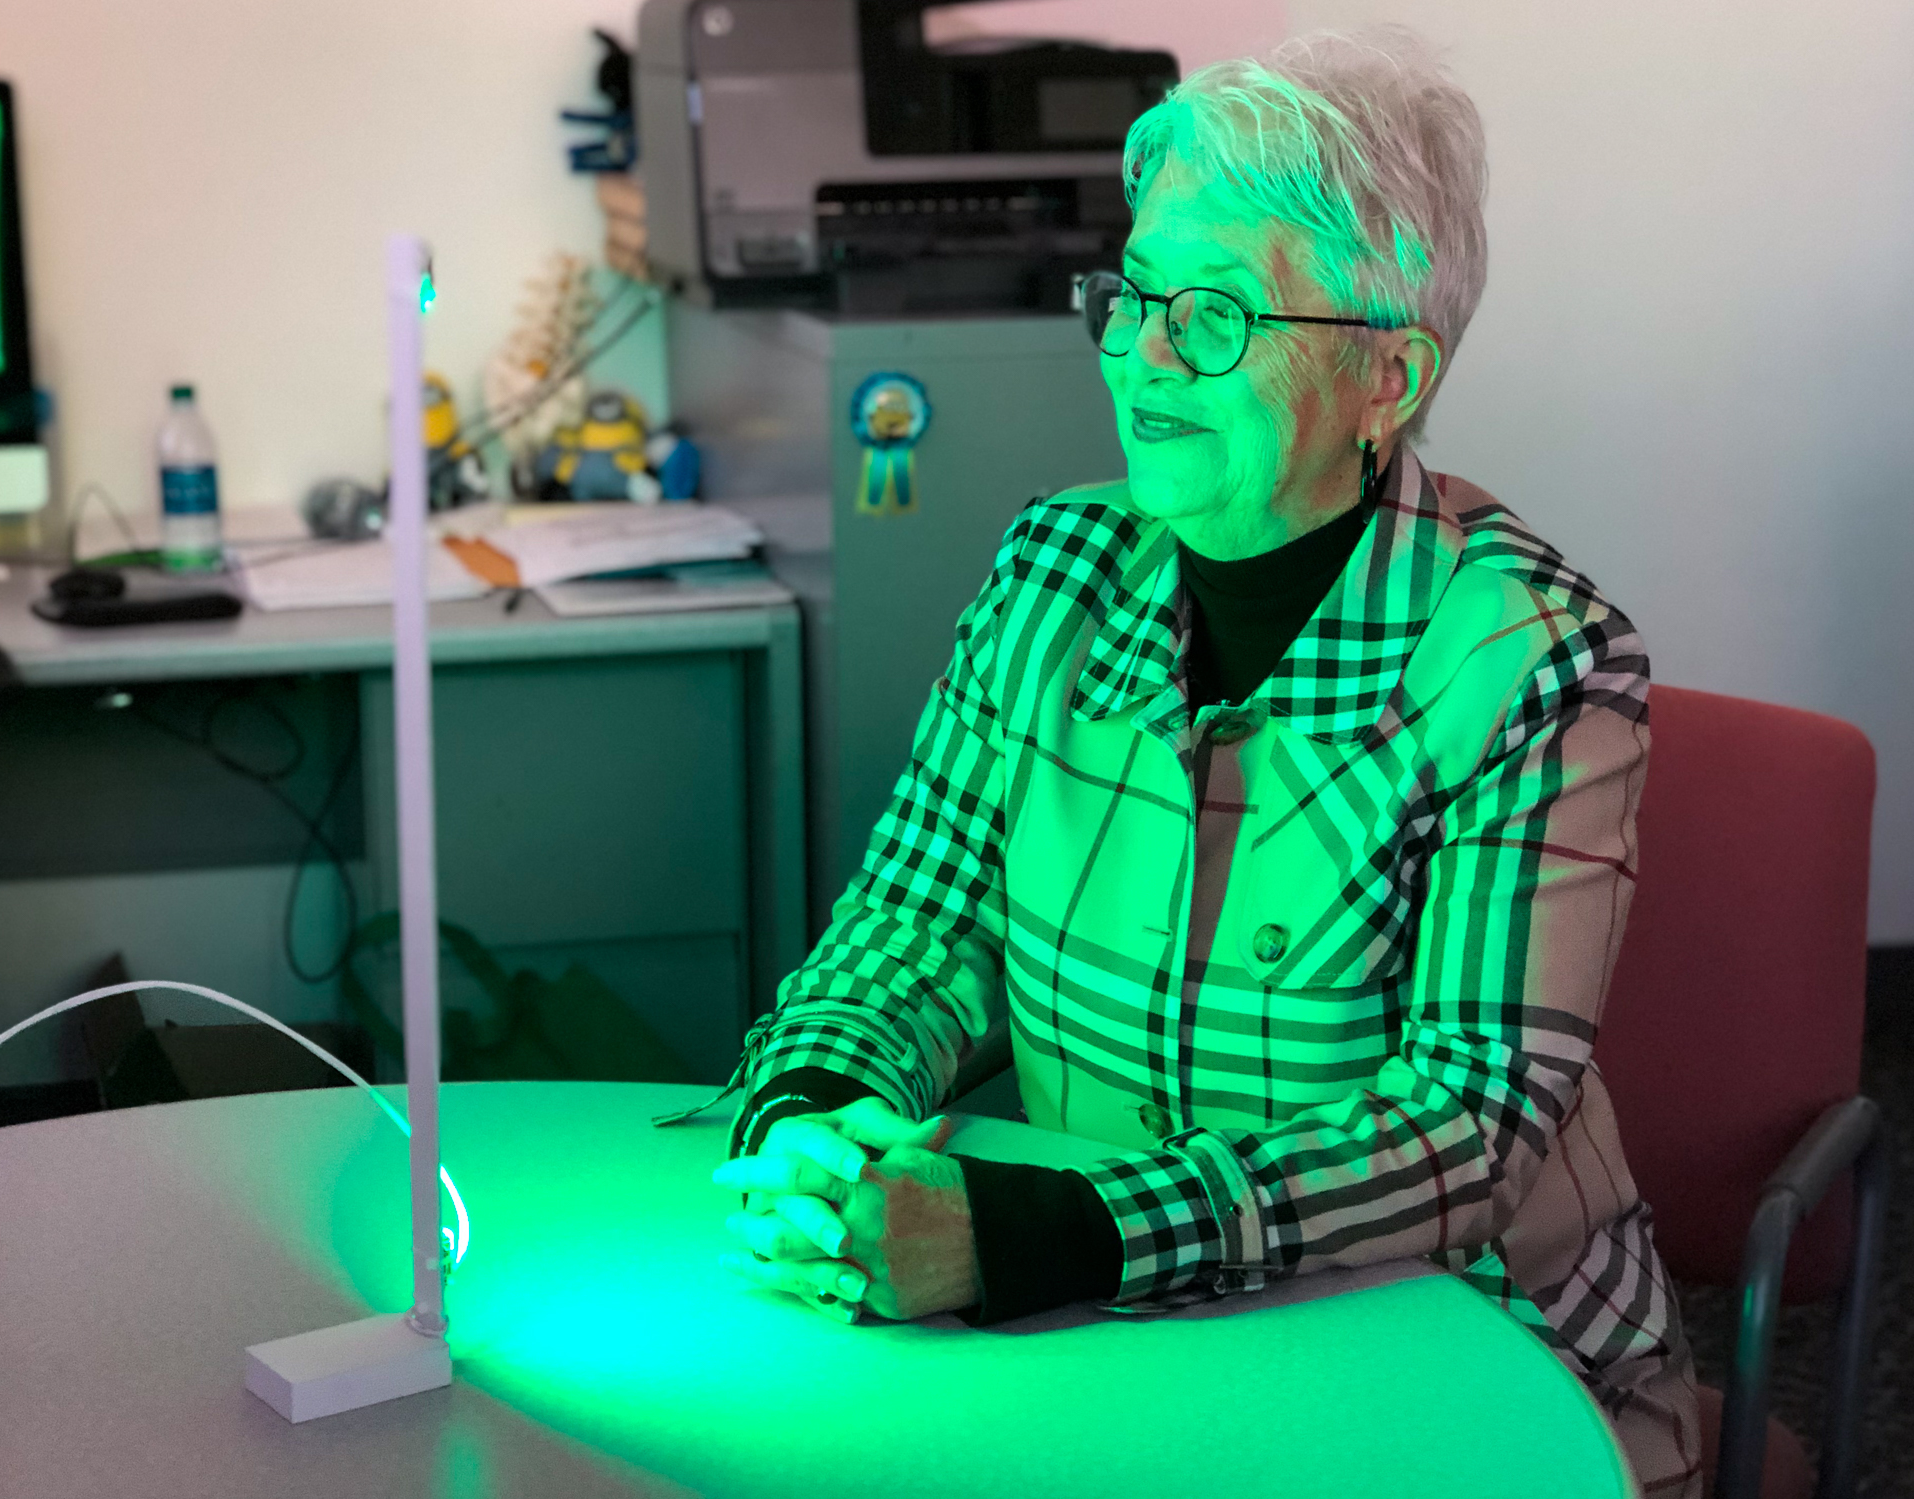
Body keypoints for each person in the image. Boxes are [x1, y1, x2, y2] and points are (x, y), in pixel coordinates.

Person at [701, 27, 1700, 1494]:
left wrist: (1046, 1234)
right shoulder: (1056, 566)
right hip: (1115, 1343)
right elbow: (913, 924)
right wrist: (818, 1114)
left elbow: (1465, 1127)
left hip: (1462, 1361)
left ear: (1385, 376)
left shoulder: (1533, 663)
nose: (1142, 357)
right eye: (1135, 295)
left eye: (1216, 316)